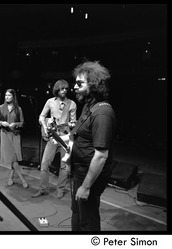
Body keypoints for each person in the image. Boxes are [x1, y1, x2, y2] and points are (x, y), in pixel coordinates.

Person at [68, 60, 116, 231]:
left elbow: (101, 156)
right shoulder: (89, 106)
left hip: (89, 174)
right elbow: (78, 132)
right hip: (79, 170)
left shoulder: (103, 113)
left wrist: (86, 186)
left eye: (79, 83)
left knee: (88, 220)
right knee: (76, 212)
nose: (74, 86)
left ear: (94, 85)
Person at [32, 79, 77, 199]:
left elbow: (73, 123)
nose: (64, 91)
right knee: (44, 164)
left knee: (64, 166)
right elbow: (42, 116)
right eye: (62, 89)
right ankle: (42, 189)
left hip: (65, 138)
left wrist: (72, 125)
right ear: (57, 89)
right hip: (53, 137)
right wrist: (45, 126)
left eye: (66, 89)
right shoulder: (50, 102)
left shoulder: (72, 104)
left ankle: (61, 189)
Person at [0, 89, 29, 189]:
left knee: (14, 157)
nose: (7, 97)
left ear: (13, 97)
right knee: (12, 158)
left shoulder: (18, 109)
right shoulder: (0, 108)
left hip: (16, 134)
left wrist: (16, 124)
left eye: (9, 95)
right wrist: (2, 123)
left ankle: (11, 177)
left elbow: (22, 122)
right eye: (6, 96)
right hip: (5, 134)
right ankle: (22, 179)